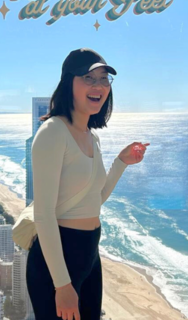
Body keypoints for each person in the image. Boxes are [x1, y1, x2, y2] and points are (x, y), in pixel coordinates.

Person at [26, 48, 149, 320]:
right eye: (88, 78)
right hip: (59, 257)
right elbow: (43, 215)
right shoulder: (53, 132)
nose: (98, 86)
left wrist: (121, 162)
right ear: (68, 83)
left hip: (89, 252)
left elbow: (93, 200)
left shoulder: (91, 137)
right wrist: (62, 284)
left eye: (104, 79)